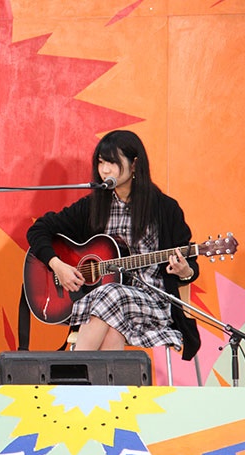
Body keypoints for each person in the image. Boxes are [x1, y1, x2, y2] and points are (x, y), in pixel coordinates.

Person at [26, 129, 200, 360]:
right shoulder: (93, 207)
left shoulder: (165, 209)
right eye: (101, 162)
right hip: (106, 306)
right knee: (111, 323)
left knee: (110, 295)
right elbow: (38, 230)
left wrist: (184, 271)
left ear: (134, 164)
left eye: (112, 163)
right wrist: (57, 265)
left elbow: (190, 265)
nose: (105, 170)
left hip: (152, 303)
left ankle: (72, 373)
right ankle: (105, 384)